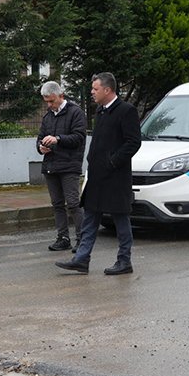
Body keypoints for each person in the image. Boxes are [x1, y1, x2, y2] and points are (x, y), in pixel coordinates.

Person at [56, 72, 141, 275]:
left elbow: (133, 142)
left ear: (107, 89)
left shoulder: (126, 111)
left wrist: (112, 161)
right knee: (90, 218)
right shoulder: (101, 111)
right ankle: (81, 259)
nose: (92, 92)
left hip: (116, 177)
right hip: (97, 176)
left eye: (95, 89)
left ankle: (124, 261)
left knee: (121, 219)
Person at [37, 81, 86, 252]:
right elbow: (40, 137)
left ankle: (82, 239)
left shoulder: (76, 112)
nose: (49, 105)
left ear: (61, 96)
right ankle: (63, 238)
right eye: (46, 102)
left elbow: (79, 137)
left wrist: (58, 139)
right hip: (51, 165)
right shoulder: (48, 117)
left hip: (69, 165)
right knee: (57, 204)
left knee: (73, 203)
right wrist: (40, 147)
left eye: (51, 101)